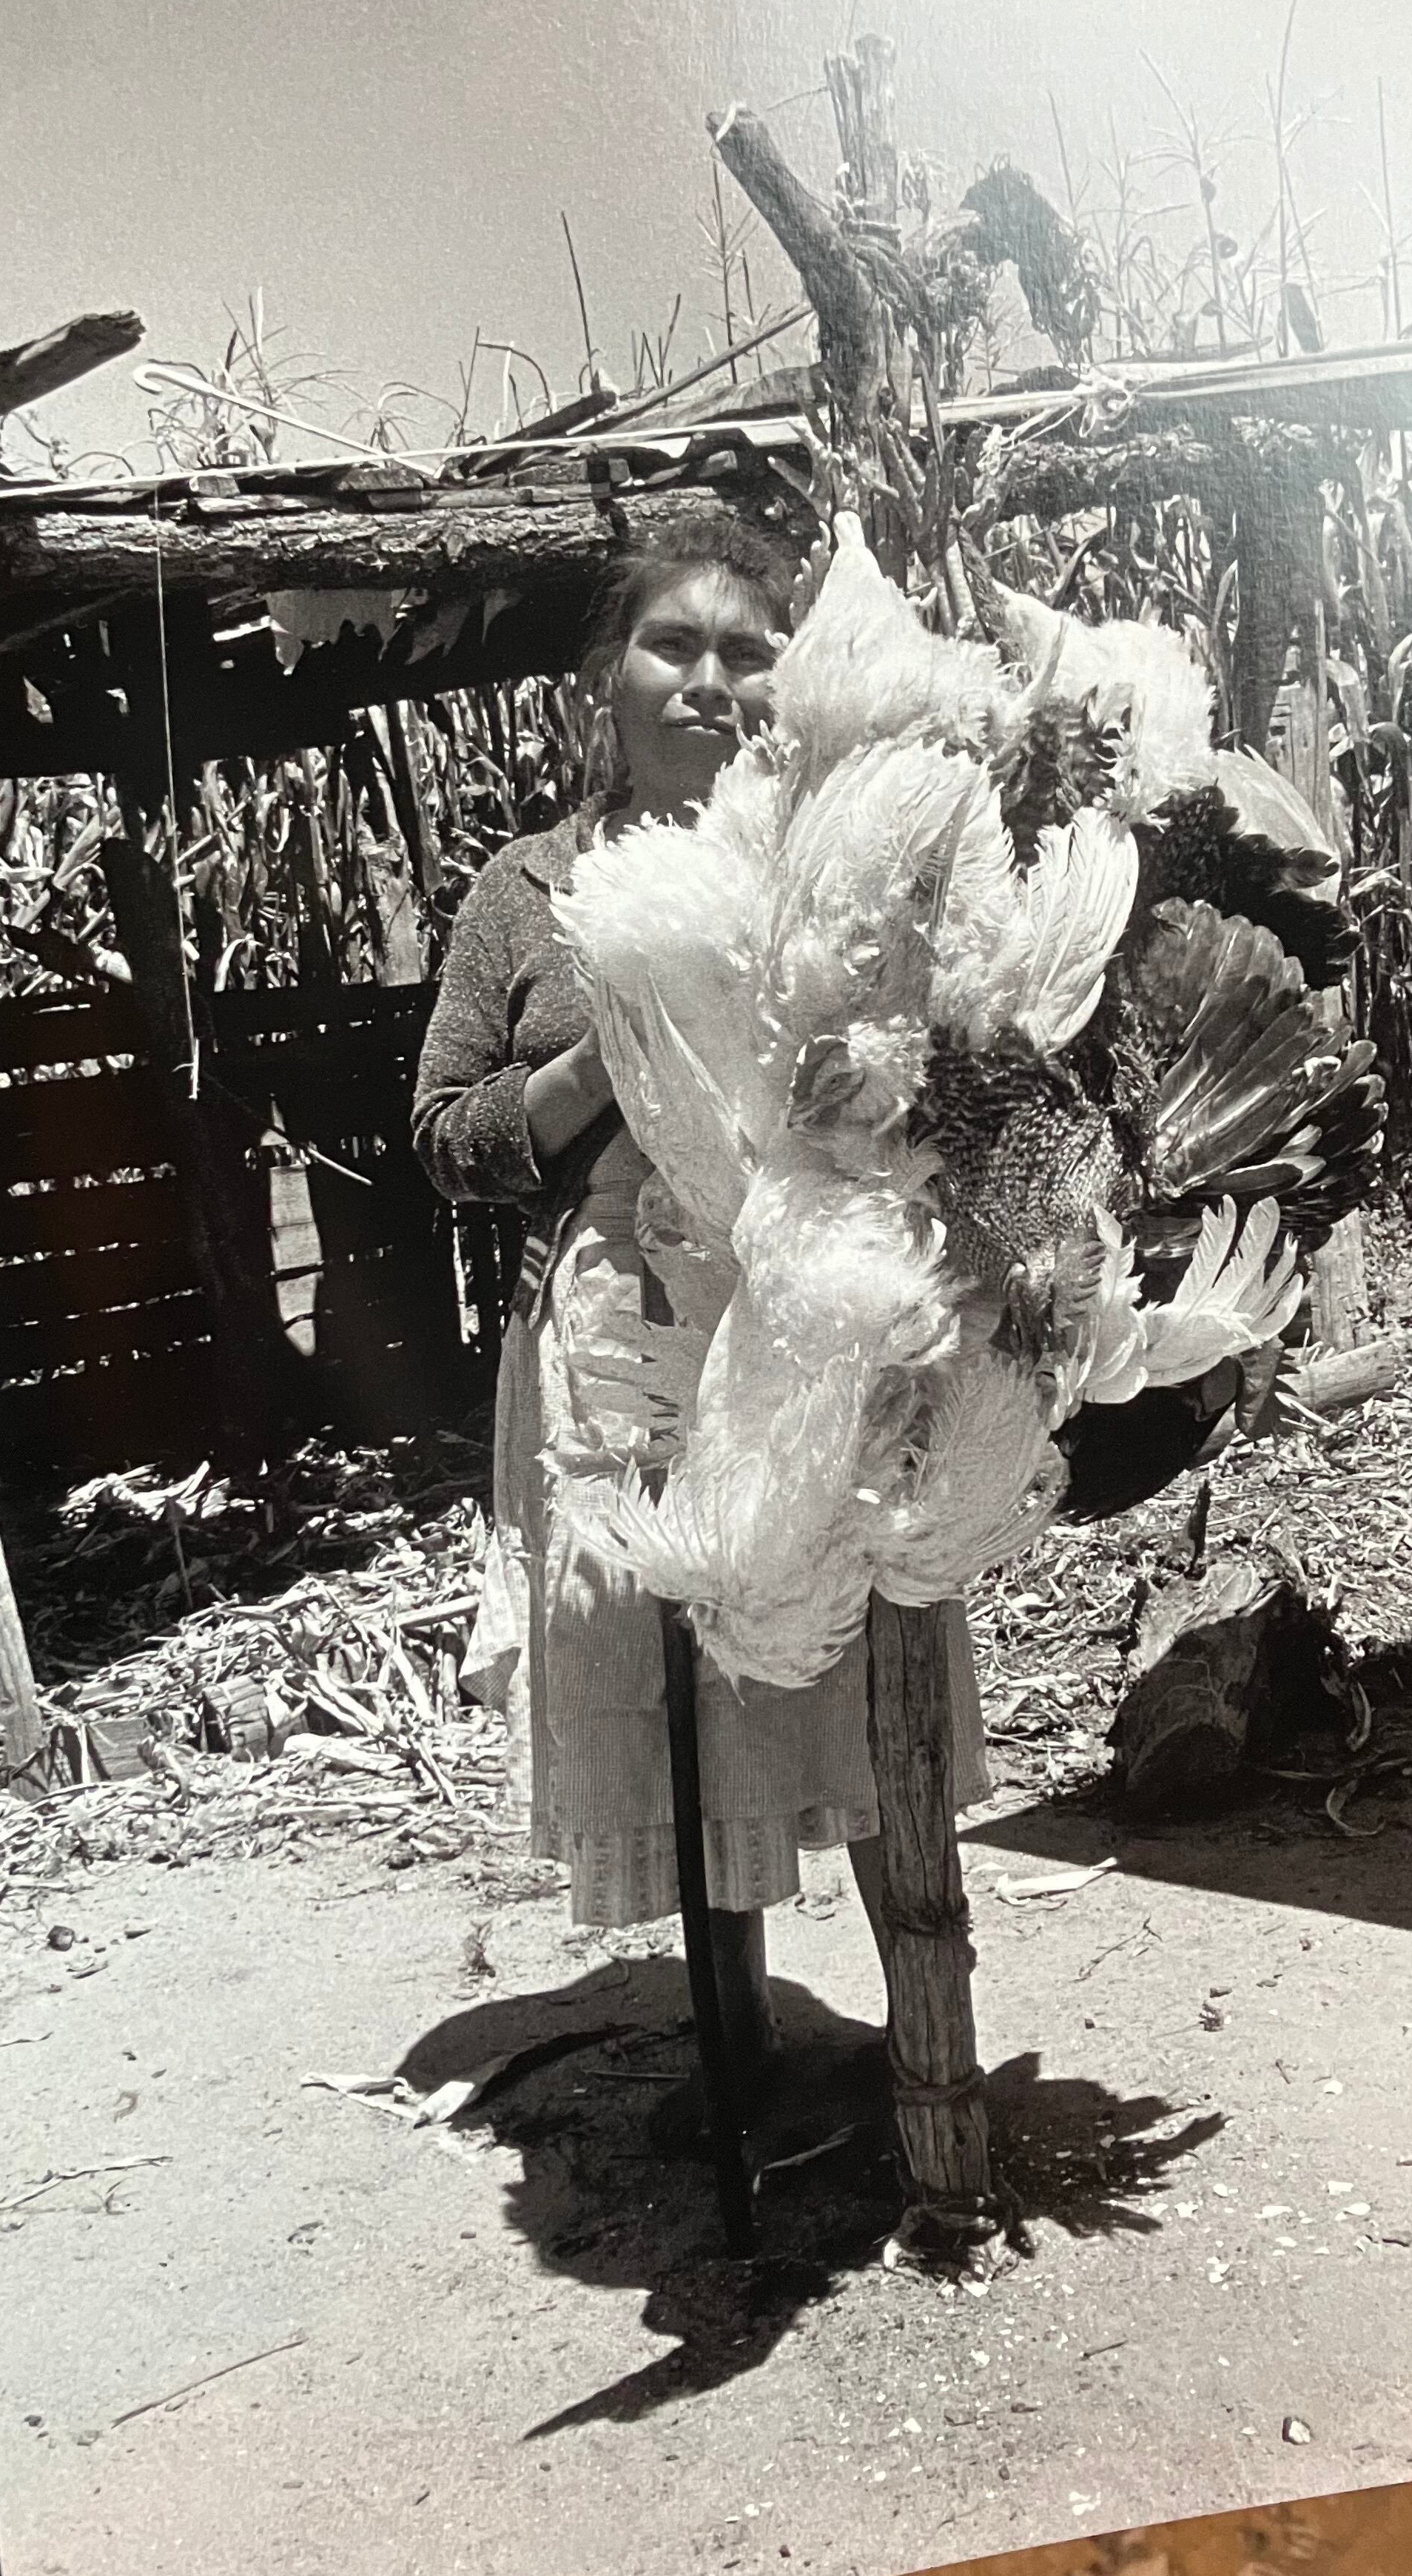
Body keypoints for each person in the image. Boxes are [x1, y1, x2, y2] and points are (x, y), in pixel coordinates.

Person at [411, 516, 989, 2116]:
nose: (716, 679)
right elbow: (449, 1136)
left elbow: (946, 1059)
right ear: (607, 679)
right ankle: (736, 2049)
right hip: (625, 1323)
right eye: (677, 645)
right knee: (687, 1659)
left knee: (872, 1633)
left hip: (822, 1290)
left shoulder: (830, 847)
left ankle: (923, 2031)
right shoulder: (530, 891)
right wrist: (617, 1037)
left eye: (750, 651)